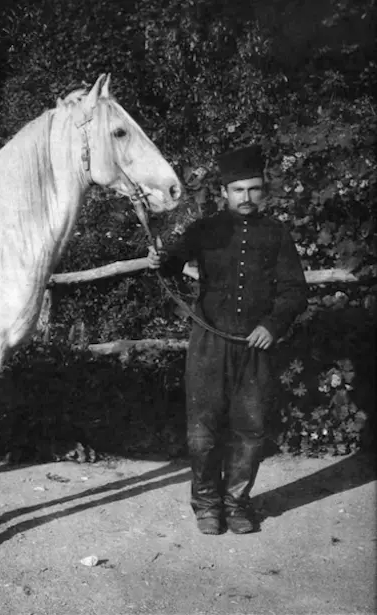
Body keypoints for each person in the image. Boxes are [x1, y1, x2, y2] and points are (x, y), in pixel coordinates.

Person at [147, 144, 308, 535]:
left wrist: (272, 325)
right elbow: (171, 263)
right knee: (202, 433)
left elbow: (294, 291)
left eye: (254, 189)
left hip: (256, 347)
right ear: (224, 192)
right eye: (239, 190)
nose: (247, 197)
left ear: (263, 191)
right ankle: (206, 505)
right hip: (209, 344)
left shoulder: (276, 233)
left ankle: (237, 503)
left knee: (250, 431)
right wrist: (160, 260)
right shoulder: (206, 230)